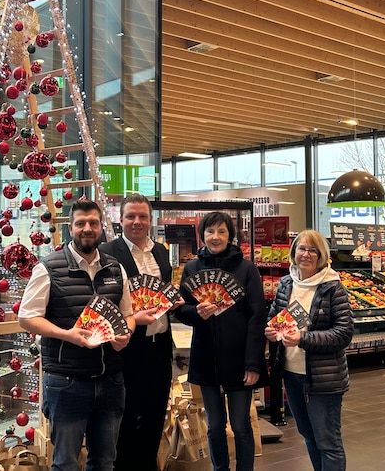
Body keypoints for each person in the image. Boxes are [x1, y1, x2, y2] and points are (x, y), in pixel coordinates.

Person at [18, 200, 136, 471]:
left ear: (101, 228)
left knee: (105, 462)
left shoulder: (116, 269)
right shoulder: (48, 268)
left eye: (93, 223)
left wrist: (126, 333)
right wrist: (67, 335)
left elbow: (128, 314)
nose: (87, 228)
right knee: (66, 463)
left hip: (111, 381)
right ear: (71, 228)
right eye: (81, 223)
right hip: (67, 382)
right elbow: (27, 317)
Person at [174, 212, 267, 471]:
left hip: (239, 358)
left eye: (222, 231)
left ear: (230, 235)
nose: (216, 237)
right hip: (206, 357)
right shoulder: (192, 268)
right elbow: (181, 309)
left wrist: (253, 363)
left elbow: (257, 317)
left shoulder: (247, 269)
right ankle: (220, 468)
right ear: (202, 236)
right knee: (214, 425)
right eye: (210, 231)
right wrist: (196, 312)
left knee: (240, 424)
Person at [264, 229, 353, 471]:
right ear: (294, 252)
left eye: (313, 250)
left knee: (328, 441)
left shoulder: (333, 287)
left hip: (323, 377)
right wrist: (271, 331)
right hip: (291, 374)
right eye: (302, 248)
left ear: (321, 255)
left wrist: (303, 338)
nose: (306, 254)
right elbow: (274, 317)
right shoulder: (286, 283)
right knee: (308, 434)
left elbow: (343, 334)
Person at [99, 194, 174, 471]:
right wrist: (132, 319)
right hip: (127, 350)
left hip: (160, 347)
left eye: (143, 216)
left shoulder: (161, 252)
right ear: (120, 220)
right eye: (131, 216)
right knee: (126, 418)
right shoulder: (107, 252)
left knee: (155, 416)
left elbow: (164, 295)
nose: (137, 222)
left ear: (151, 220)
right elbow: (101, 305)